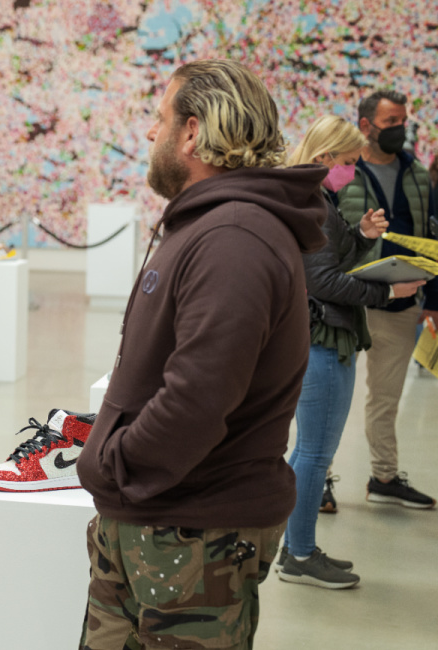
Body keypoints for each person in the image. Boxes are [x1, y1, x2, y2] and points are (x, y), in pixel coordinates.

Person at [76, 59, 327, 649]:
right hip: (164, 525)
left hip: (191, 533)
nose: (148, 132)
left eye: (158, 118)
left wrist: (115, 463)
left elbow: (198, 397)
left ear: (191, 132)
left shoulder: (234, 236)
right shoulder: (215, 226)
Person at [277, 116, 426, 590]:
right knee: (315, 455)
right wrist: (388, 295)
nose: (350, 170)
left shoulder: (317, 198)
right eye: (345, 162)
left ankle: (298, 548)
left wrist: (359, 235)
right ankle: (298, 554)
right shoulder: (311, 201)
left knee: (311, 452)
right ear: (323, 158)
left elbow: (330, 260)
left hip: (326, 335)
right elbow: (321, 280)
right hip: (322, 339)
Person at [337, 90, 438, 509]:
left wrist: (431, 298)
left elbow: (431, 235)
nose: (400, 128)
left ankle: (384, 476)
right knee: (328, 394)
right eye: (391, 121)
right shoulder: (341, 171)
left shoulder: (415, 172)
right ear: (365, 126)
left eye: (402, 120)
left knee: (386, 396)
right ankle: (319, 479)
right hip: (344, 301)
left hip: (400, 301)